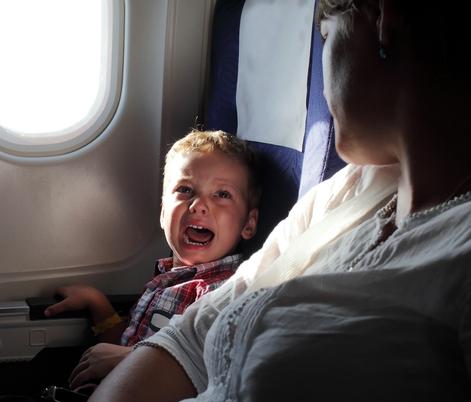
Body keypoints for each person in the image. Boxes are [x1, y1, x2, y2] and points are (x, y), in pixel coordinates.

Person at [89, 0, 471, 400]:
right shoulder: (343, 191)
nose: (322, 89)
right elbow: (190, 338)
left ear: (384, 22)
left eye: (326, 37)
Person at [43, 129, 261, 391]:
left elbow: (211, 369)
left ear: (249, 224)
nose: (198, 205)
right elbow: (123, 344)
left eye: (222, 194)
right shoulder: (168, 280)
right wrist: (98, 304)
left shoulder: (224, 292)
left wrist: (132, 358)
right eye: (185, 189)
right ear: (162, 212)